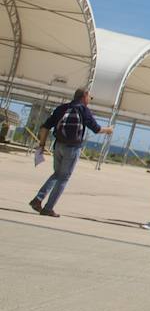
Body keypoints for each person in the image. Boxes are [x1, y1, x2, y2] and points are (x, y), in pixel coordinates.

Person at [29, 88, 115, 217]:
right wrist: (108, 130)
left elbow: (45, 127)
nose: (89, 100)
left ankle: (38, 199)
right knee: (64, 178)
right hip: (73, 148)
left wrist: (42, 144)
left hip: (58, 145)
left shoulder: (61, 108)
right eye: (89, 98)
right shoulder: (83, 110)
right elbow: (96, 129)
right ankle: (48, 208)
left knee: (57, 174)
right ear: (84, 96)